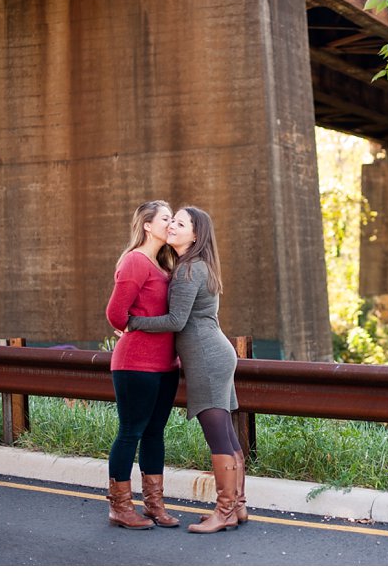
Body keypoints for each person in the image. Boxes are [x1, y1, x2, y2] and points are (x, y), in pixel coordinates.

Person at [125, 205, 246, 534]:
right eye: (171, 221)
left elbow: (176, 321)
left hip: (207, 357)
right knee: (227, 434)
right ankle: (237, 507)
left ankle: (223, 511)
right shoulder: (195, 265)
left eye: (180, 223)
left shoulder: (189, 270)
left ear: (196, 234)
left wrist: (134, 322)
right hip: (215, 352)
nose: (172, 226)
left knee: (218, 435)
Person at [103, 200, 181, 530]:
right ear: (148, 225)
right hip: (135, 364)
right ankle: (120, 507)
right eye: (165, 218)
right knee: (131, 432)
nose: (171, 223)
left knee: (154, 434)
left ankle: (154, 505)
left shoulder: (163, 264)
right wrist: (133, 325)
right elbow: (115, 314)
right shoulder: (135, 261)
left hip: (166, 366)